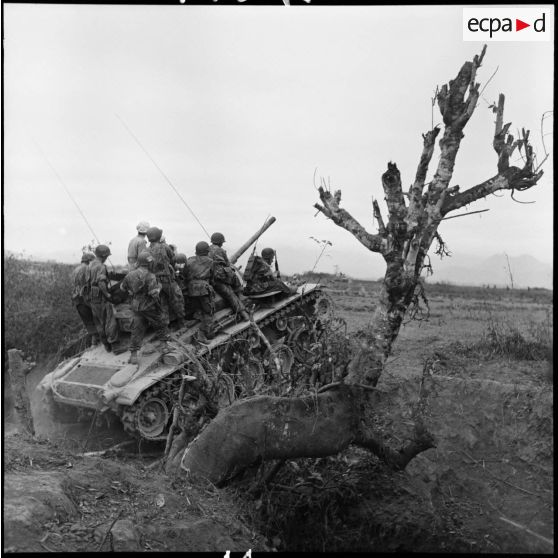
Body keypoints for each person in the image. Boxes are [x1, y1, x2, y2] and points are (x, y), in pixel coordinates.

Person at [120, 251, 170, 364]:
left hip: (136, 306)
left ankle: (133, 356)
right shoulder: (151, 276)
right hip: (149, 306)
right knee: (160, 323)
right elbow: (154, 293)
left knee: (136, 329)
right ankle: (165, 347)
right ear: (149, 263)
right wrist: (159, 288)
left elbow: (122, 288)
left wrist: (132, 292)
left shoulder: (130, 274)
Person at [146, 226, 186, 329]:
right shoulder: (164, 247)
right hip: (168, 280)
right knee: (178, 300)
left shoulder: (145, 251)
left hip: (155, 282)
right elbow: (173, 260)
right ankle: (181, 323)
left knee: (162, 304)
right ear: (158, 236)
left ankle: (165, 327)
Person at [208, 232, 248, 319]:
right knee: (230, 292)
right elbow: (226, 263)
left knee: (228, 292)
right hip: (221, 277)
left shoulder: (207, 249)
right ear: (220, 242)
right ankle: (243, 309)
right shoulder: (220, 250)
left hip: (212, 278)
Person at [87, 244, 119, 351]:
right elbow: (101, 282)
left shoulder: (90, 264)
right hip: (101, 297)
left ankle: (106, 345)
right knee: (109, 320)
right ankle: (114, 345)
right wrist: (107, 294)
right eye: (106, 256)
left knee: (99, 322)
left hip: (92, 296)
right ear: (104, 255)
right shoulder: (100, 266)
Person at [185, 241, 215, 342]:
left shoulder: (189, 260)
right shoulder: (210, 261)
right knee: (208, 311)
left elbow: (185, 274)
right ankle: (206, 334)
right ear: (207, 251)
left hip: (191, 289)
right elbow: (213, 277)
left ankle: (197, 323)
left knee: (198, 308)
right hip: (203, 290)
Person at [71, 252, 98, 342]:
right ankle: (99, 342)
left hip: (76, 299)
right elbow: (90, 283)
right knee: (96, 318)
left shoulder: (75, 270)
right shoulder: (87, 269)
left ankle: (93, 343)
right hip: (85, 298)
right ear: (89, 261)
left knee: (88, 322)